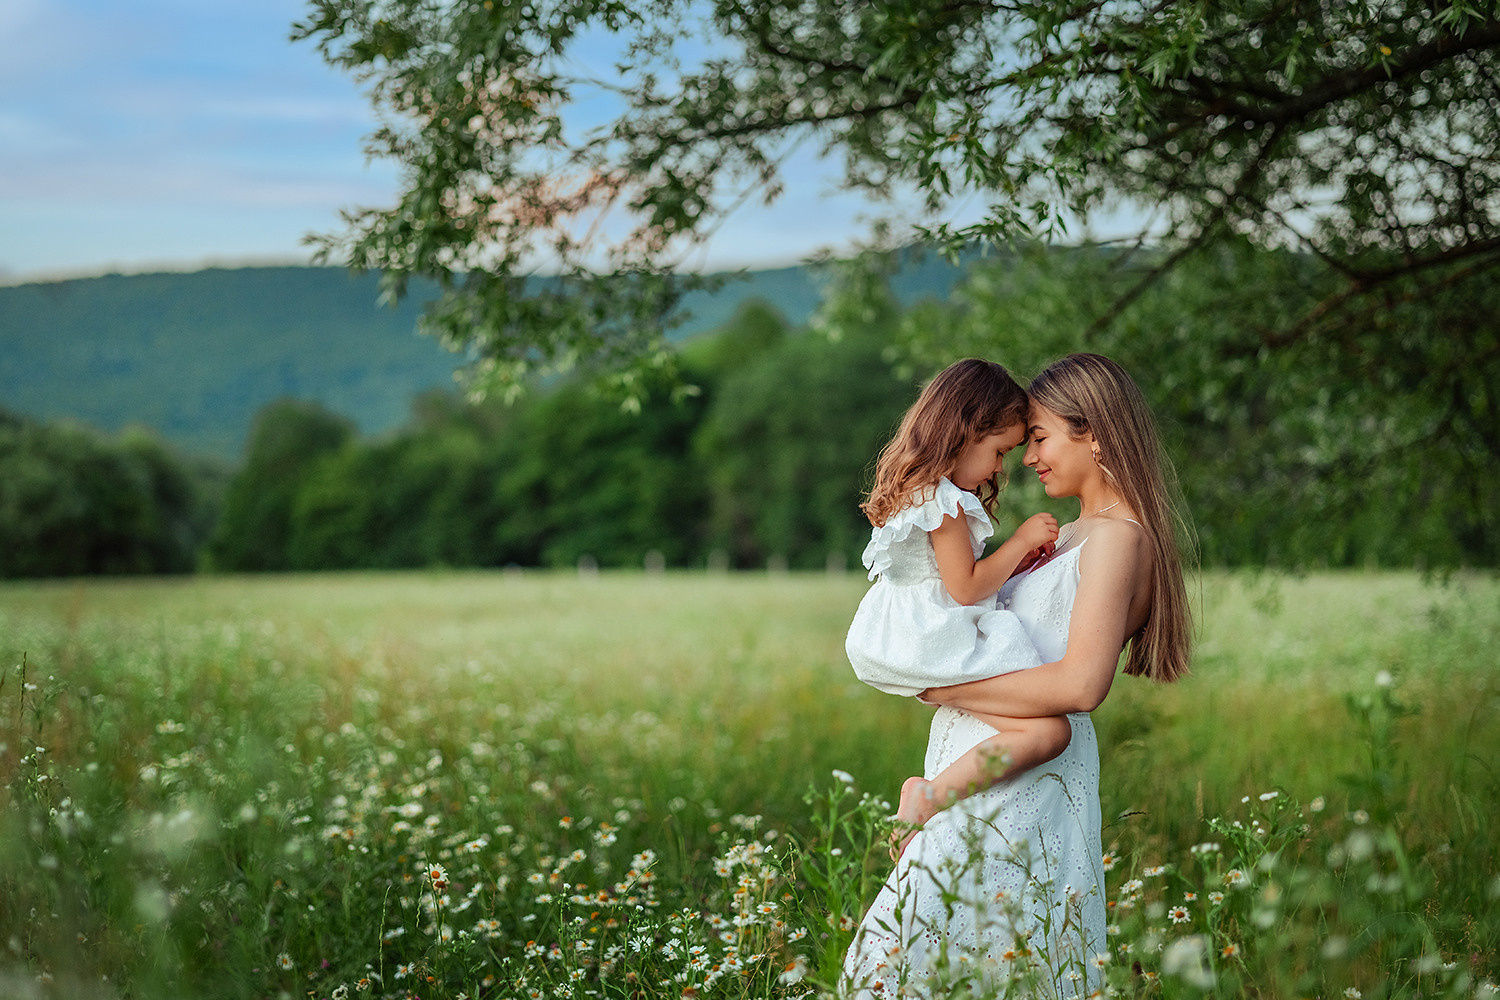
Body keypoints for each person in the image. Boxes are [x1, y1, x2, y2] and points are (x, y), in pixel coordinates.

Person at [842, 353, 1192, 999]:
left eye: (1039, 437)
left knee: (985, 959)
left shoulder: (1117, 539)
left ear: (1097, 433)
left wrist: (939, 687)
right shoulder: (1071, 535)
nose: (1028, 458)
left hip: (1025, 782)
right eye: (1022, 441)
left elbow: (1081, 687)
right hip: (981, 761)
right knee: (926, 958)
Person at [843, 358, 1072, 857]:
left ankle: (932, 794)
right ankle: (926, 797)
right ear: (967, 431)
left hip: (908, 639)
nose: (998, 468)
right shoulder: (944, 503)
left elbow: (957, 582)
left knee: (1044, 728)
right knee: (1051, 729)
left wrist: (1012, 565)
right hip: (931, 643)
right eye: (998, 452)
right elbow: (966, 589)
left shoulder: (925, 492)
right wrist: (1020, 542)